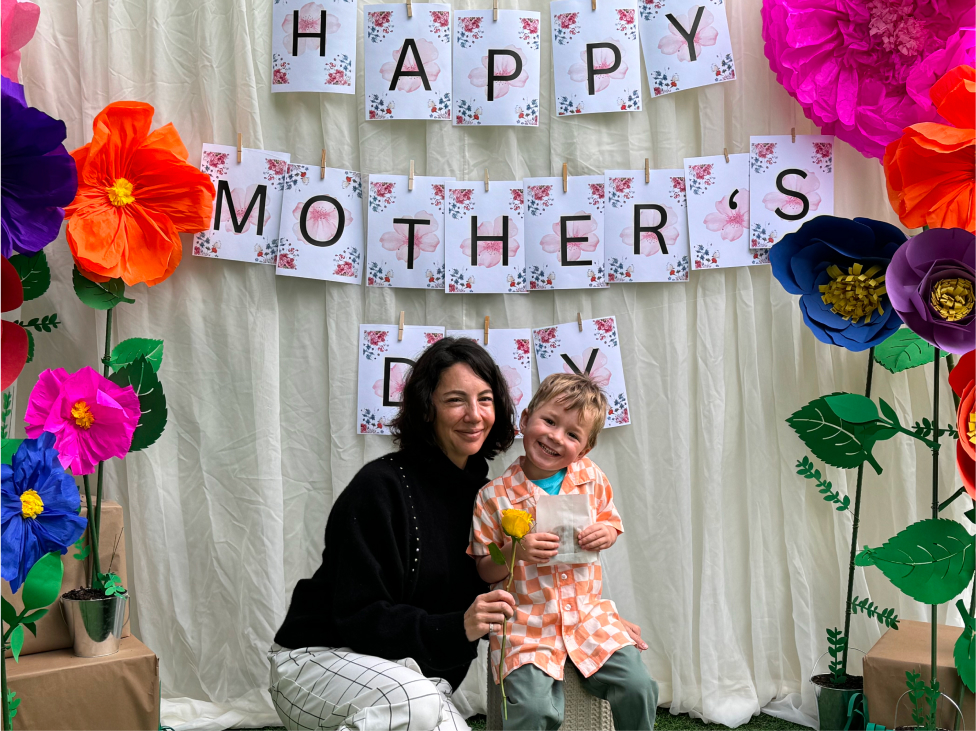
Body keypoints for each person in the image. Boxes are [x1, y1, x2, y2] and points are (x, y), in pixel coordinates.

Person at [269, 338, 647, 731]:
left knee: (429, 707)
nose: (474, 415)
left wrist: (590, 621)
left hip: (415, 680)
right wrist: (457, 627)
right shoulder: (380, 486)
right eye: (455, 400)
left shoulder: (487, 496)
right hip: (322, 659)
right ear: (426, 408)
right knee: (417, 701)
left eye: (485, 399)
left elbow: (512, 590)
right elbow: (354, 616)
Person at [469, 373, 659, 730]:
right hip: (527, 624)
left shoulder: (593, 478)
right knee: (533, 711)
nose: (556, 437)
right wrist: (516, 551)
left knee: (639, 686)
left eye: (572, 434)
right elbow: (484, 566)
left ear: (584, 448)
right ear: (526, 420)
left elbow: (611, 523)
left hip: (588, 616)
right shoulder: (492, 496)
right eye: (550, 421)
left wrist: (607, 532)